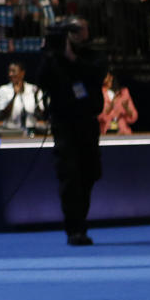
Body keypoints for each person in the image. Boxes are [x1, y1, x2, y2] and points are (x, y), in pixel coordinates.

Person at [38, 17, 106, 246]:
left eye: (80, 29)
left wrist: (72, 59)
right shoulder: (54, 57)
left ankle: (80, 220)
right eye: (72, 30)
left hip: (87, 122)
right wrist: (49, 53)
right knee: (69, 176)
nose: (76, 34)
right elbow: (42, 80)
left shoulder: (94, 56)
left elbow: (95, 75)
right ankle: (74, 229)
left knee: (89, 173)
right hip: (64, 125)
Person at [0, 60, 44, 132]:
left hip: (32, 131)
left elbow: (41, 116)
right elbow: (2, 115)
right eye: (9, 71)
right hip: (11, 131)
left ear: (22, 73)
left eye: (13, 71)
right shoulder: (3, 90)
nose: (10, 74)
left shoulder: (34, 89)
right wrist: (14, 95)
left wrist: (36, 98)